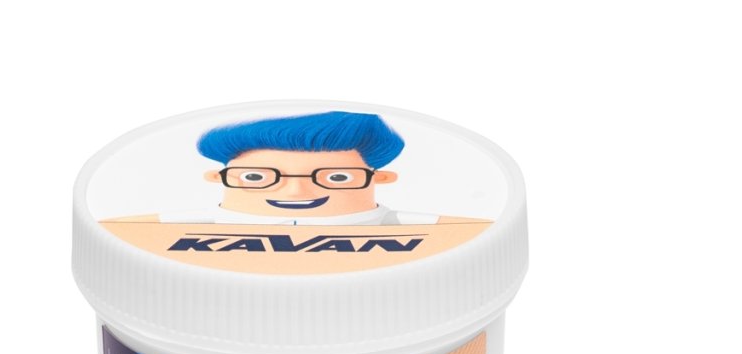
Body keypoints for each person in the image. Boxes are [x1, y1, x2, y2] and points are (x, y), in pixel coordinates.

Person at [109, 111, 478, 226]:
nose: (296, 190)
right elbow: (121, 232)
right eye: (256, 177)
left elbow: (472, 234)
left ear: (380, 179)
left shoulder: (401, 224)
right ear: (217, 179)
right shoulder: (196, 223)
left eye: (336, 178)